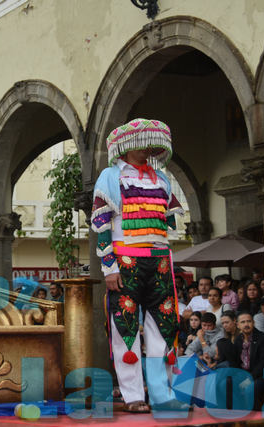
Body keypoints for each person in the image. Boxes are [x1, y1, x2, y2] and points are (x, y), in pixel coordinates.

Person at [91, 118, 185, 412]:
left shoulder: (161, 178)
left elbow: (168, 221)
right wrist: (109, 267)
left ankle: (162, 395)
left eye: (150, 145)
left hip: (159, 258)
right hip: (126, 258)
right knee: (126, 327)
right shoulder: (110, 176)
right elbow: (101, 223)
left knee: (163, 326)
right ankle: (133, 396)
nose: (147, 149)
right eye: (141, 144)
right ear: (125, 146)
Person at [234, 311, 264, 411]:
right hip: (243, 374)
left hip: (259, 376)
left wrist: (251, 377)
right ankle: (237, 412)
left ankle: (251, 417)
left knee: (250, 389)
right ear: (238, 325)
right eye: (243, 322)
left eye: (249, 321)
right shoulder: (238, 339)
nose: (246, 324)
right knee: (224, 384)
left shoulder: (262, 338)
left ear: (253, 323)